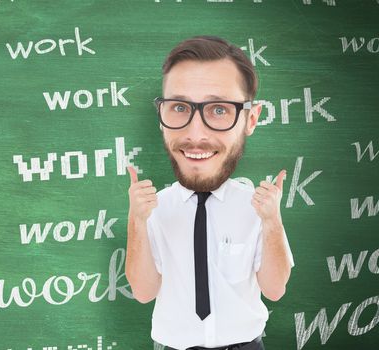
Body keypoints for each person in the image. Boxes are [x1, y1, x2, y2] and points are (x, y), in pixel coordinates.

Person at [125, 35, 295, 350]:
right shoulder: (155, 208)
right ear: (161, 118)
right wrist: (136, 222)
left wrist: (272, 221)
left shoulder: (254, 206)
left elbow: (274, 289)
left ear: (251, 119)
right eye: (178, 107)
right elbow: (143, 291)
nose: (195, 134)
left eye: (219, 110)